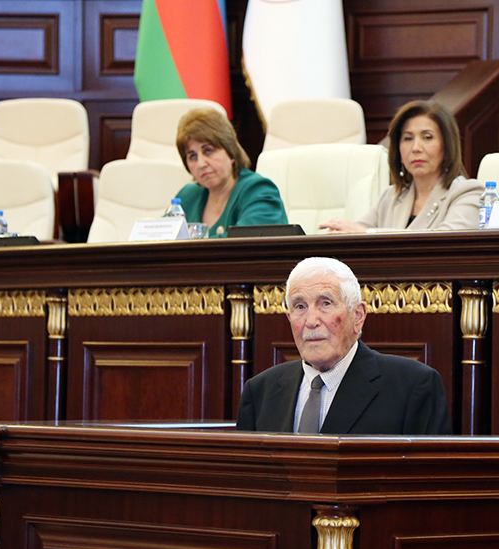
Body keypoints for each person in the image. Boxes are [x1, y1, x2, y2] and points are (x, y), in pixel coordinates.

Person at [236, 257, 452, 435]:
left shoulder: (413, 386)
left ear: (358, 316)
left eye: (326, 303)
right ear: (289, 318)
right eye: (300, 306)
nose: (311, 321)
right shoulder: (260, 392)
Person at [318, 101, 483, 233]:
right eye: (408, 138)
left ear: (447, 147)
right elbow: (354, 232)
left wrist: (367, 233)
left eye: (427, 137)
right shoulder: (390, 197)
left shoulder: (469, 193)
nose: (416, 148)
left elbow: (443, 244)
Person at [174, 108, 287, 237]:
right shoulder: (187, 197)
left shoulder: (259, 191)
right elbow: (161, 238)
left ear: (230, 151)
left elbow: (245, 242)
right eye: (192, 156)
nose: (201, 164)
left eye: (208, 151)